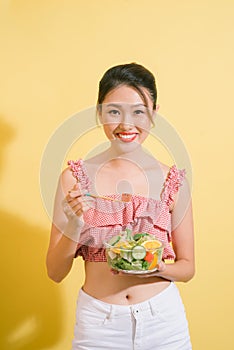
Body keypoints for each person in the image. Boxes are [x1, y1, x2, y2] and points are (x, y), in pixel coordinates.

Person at [46, 63, 195, 350]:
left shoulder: (172, 181)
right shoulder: (74, 179)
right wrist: (75, 225)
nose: (126, 124)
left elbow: (188, 268)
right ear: (99, 112)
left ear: (154, 114)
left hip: (163, 322)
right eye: (114, 111)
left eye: (138, 111)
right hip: (99, 325)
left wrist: (154, 268)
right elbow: (55, 272)